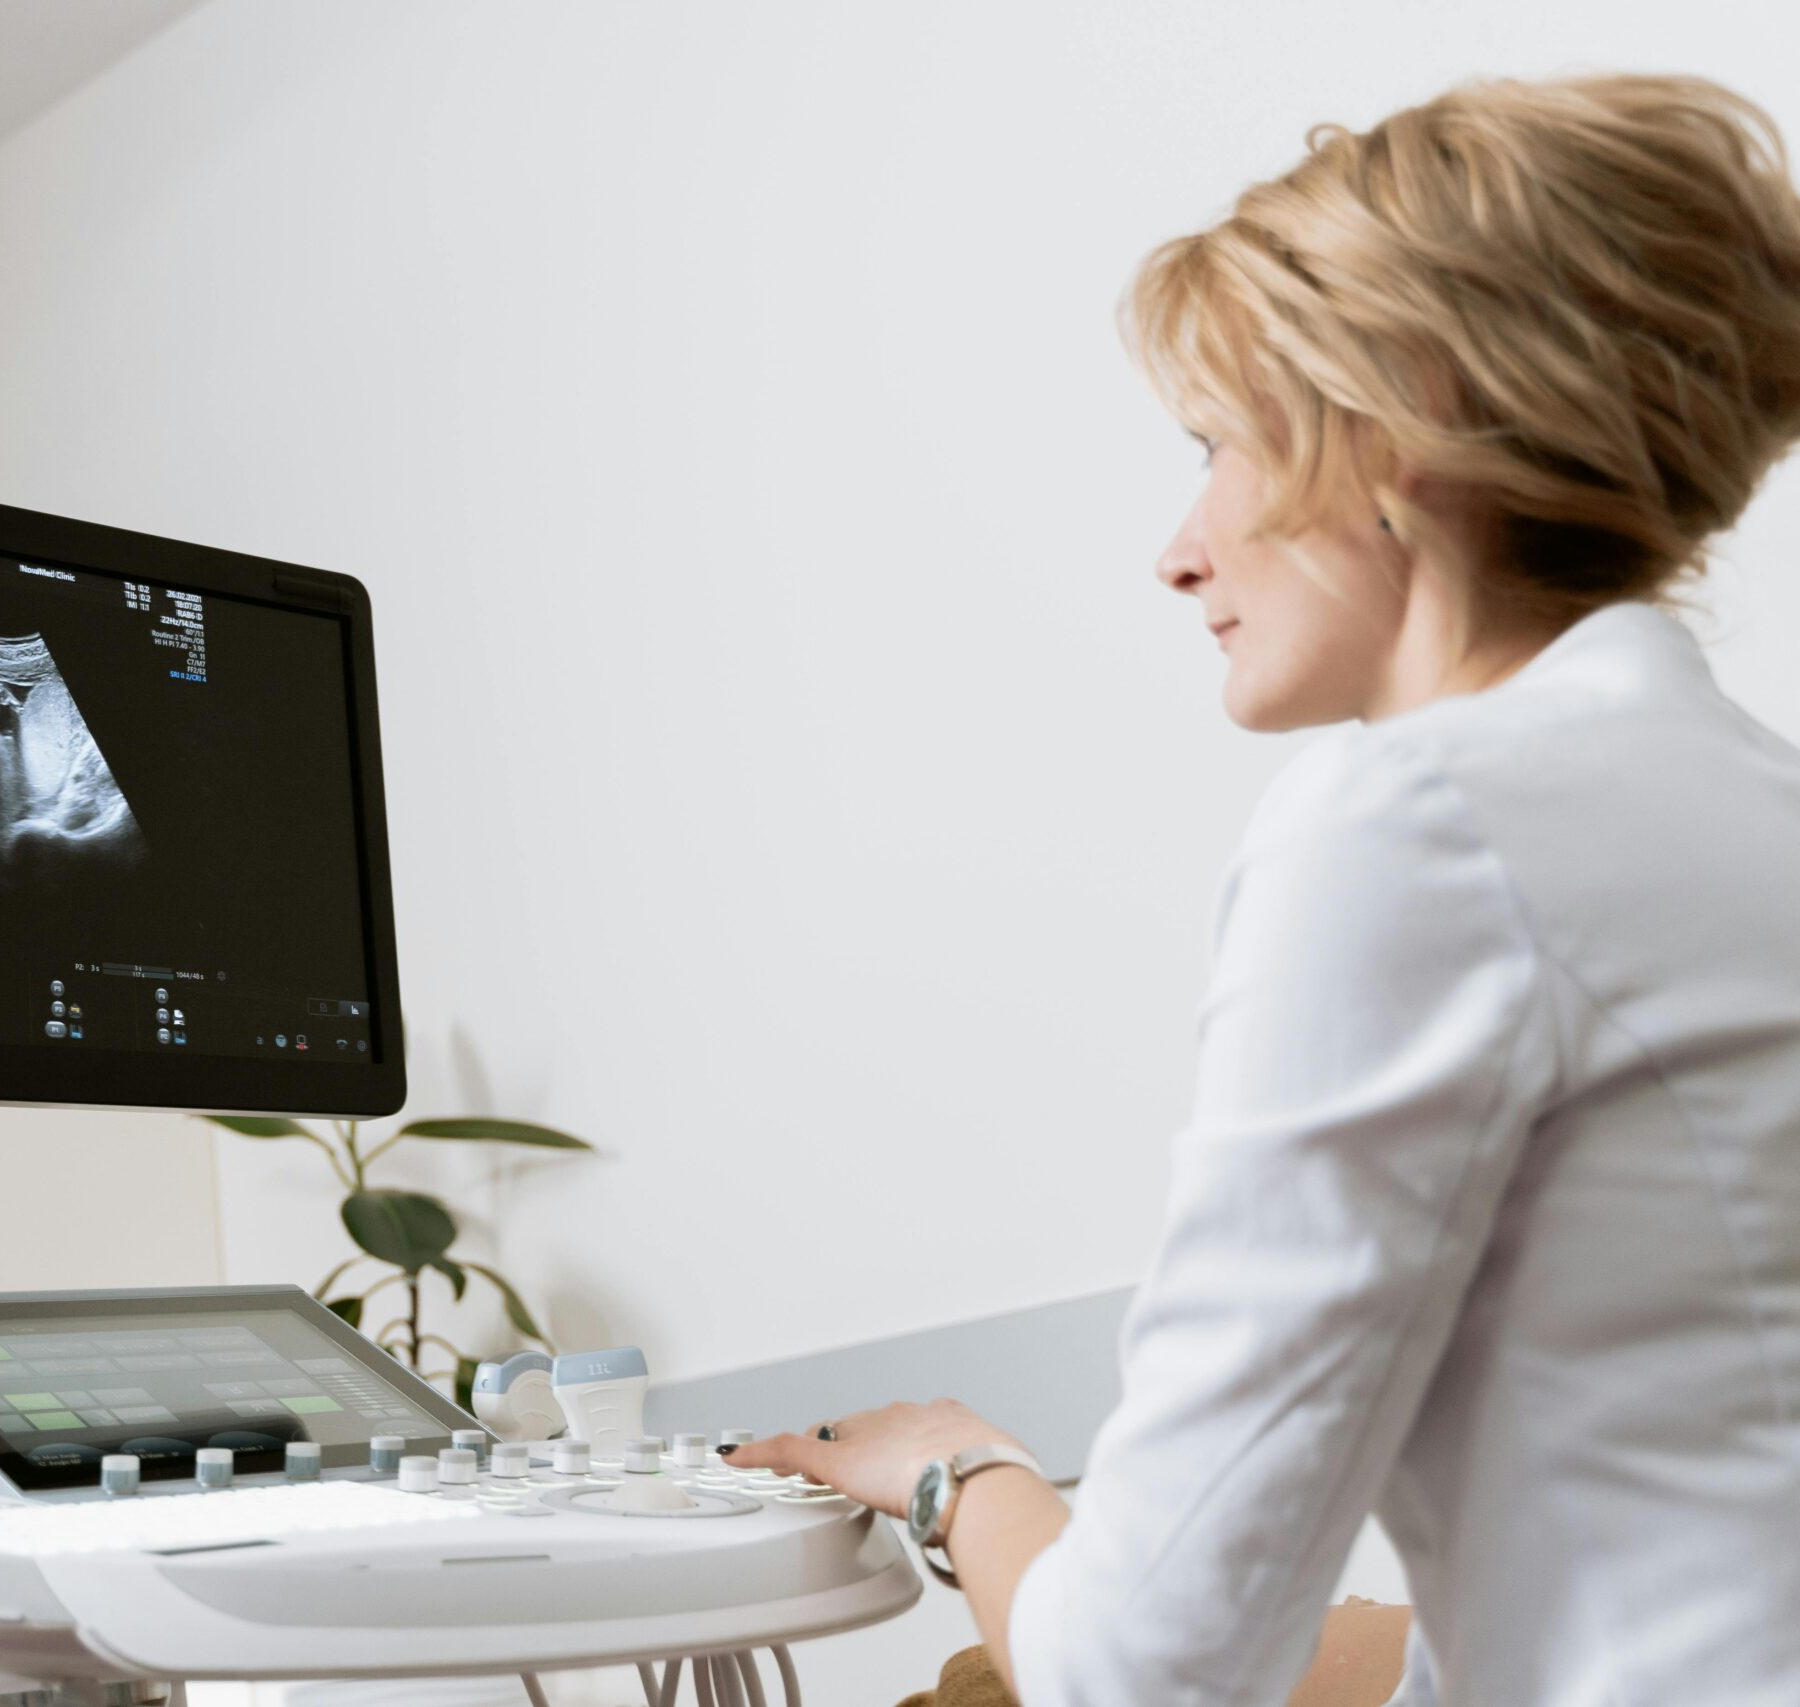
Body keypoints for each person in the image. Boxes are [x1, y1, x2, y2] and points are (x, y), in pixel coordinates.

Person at [731, 73, 1800, 1705]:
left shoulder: (1423, 826)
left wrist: (964, 1472)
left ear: (1407, 418)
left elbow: (1139, 1673)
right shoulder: (1747, 802)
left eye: (1222, 444)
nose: (1180, 548)